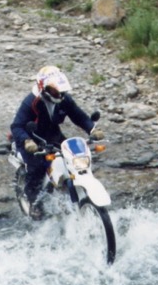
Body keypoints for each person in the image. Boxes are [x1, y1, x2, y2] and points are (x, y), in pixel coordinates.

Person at [10, 66, 104, 219]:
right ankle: (34, 203)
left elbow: (79, 116)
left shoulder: (64, 99)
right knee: (37, 168)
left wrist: (92, 130)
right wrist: (27, 141)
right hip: (30, 138)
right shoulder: (31, 102)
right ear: (43, 88)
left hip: (52, 135)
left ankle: (74, 187)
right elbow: (16, 126)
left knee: (72, 157)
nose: (59, 94)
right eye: (55, 91)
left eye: (61, 90)